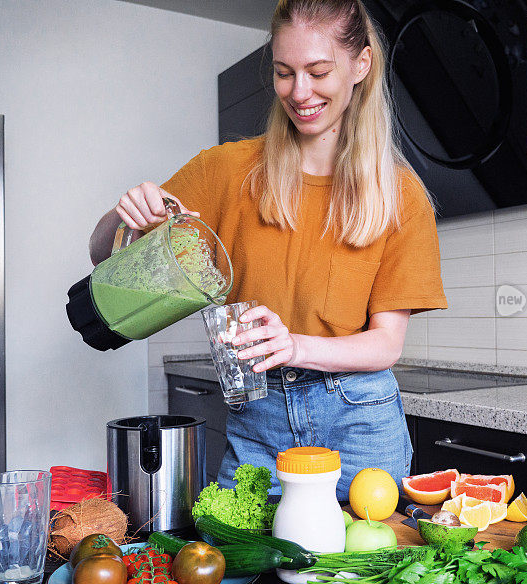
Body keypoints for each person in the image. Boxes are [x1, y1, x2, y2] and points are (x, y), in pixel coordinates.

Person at [90, 0, 447, 499]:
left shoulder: (401, 195)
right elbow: (103, 258)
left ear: (361, 65)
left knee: (362, 570)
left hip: (361, 428)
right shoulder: (226, 171)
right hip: (257, 419)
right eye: (284, 73)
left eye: (318, 72)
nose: (300, 92)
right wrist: (125, 214)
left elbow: (387, 344)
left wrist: (296, 346)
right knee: (247, 570)